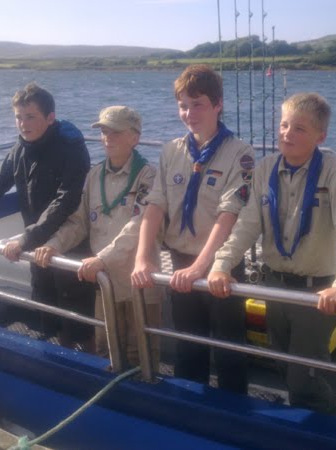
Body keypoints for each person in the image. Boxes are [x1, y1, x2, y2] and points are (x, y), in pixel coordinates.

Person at [207, 92, 336, 417]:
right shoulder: (266, 168)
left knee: (302, 378)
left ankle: (335, 419)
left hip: (317, 291)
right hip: (274, 285)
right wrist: (221, 265)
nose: (287, 134)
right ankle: (308, 421)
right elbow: (247, 225)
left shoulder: (335, 172)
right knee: (281, 363)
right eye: (283, 125)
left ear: (320, 136)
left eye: (299, 128)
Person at [131, 64, 255, 393]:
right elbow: (155, 204)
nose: (189, 113)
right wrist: (144, 257)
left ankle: (235, 415)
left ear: (218, 105)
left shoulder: (241, 154)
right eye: (183, 105)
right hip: (181, 261)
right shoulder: (172, 151)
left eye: (198, 104)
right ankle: (190, 408)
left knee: (230, 349)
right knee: (188, 345)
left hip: (221, 265)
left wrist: (203, 267)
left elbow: (229, 215)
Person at [0, 82, 90, 336]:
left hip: (69, 242)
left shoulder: (71, 149)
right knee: (45, 305)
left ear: (50, 118)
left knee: (75, 314)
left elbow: (66, 200)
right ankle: (48, 352)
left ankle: (81, 356)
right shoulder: (20, 149)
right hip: (36, 242)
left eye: (31, 117)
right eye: (19, 117)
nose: (24, 124)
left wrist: (26, 238)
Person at [34, 105, 163, 367]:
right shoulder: (94, 176)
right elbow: (79, 223)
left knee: (142, 356)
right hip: (105, 285)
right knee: (106, 350)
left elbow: (137, 227)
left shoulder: (149, 177)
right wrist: (53, 245)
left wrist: (101, 259)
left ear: (134, 137)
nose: (108, 138)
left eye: (115, 132)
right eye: (104, 131)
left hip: (138, 285)